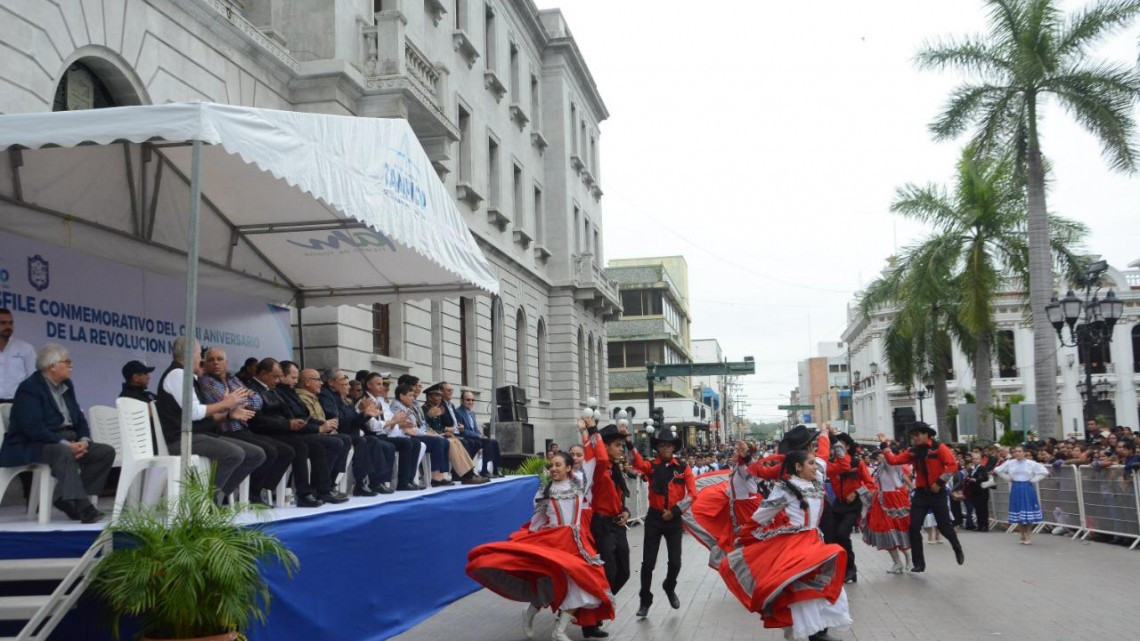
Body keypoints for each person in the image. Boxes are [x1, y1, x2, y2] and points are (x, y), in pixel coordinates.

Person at [466, 451, 614, 641]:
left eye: (558, 465)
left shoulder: (580, 485)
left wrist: (589, 430)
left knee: (582, 585)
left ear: (568, 468)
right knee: (547, 583)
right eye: (551, 465)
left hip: (576, 542)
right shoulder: (544, 492)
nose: (553, 468)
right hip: (554, 541)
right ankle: (529, 614)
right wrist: (533, 544)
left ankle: (559, 631)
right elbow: (537, 522)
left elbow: (597, 460)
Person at [720, 449, 851, 641]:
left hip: (815, 541)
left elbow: (834, 462)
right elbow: (762, 515)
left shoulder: (817, 480)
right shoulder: (786, 488)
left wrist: (826, 436)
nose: (816, 467)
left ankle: (819, 630)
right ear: (798, 467)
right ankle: (814, 634)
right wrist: (744, 536)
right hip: (796, 544)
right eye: (811, 463)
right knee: (799, 588)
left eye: (815, 463)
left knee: (823, 583)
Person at [0, 343, 113, 523]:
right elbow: (33, 428)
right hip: (32, 444)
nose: (71, 365)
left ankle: (63, 497)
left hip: (66, 440)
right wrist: (68, 445)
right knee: (62, 452)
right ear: (52, 366)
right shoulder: (30, 388)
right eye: (66, 361)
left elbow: (79, 418)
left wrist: (83, 439)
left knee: (104, 452)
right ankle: (84, 507)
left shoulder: (67, 385)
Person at [155, 337, 265, 502]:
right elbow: (193, 413)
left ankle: (217, 498)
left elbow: (199, 414)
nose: (201, 359)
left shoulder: (186, 376)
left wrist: (228, 414)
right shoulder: (177, 374)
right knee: (233, 454)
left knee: (256, 454)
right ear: (189, 354)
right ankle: (205, 503)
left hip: (198, 434)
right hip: (181, 438)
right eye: (200, 354)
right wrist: (226, 403)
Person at [199, 347, 293, 506]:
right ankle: (247, 495)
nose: (215, 363)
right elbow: (223, 403)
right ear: (205, 364)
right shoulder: (205, 381)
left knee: (285, 450)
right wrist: (236, 399)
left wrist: (236, 400)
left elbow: (257, 401)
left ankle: (261, 490)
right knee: (266, 451)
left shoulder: (233, 379)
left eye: (219, 359)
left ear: (226, 363)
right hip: (225, 430)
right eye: (211, 360)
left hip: (242, 428)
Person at [246, 357, 342, 507]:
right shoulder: (253, 390)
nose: (278, 380)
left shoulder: (272, 390)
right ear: (264, 374)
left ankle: (322, 489)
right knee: (299, 447)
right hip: (267, 432)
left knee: (316, 447)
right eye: (275, 376)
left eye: (280, 376)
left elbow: (291, 414)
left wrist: (304, 423)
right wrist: (288, 424)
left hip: (281, 429)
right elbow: (257, 420)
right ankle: (302, 493)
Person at [627, 426, 696, 618]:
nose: (665, 449)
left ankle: (669, 585)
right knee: (648, 563)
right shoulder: (651, 466)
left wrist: (674, 511)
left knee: (675, 562)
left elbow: (692, 494)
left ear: (674, 448)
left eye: (669, 446)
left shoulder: (683, 468)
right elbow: (637, 462)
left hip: (673, 520)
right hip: (655, 518)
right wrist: (629, 442)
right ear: (658, 448)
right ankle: (645, 600)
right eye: (662, 446)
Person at [876, 423, 965, 572]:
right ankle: (919, 563)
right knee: (914, 527)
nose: (915, 438)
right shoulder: (912, 452)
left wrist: (940, 482)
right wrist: (885, 445)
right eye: (913, 436)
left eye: (918, 435)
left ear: (927, 435)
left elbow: (952, 466)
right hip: (921, 493)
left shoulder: (939, 448)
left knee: (944, 527)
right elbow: (893, 460)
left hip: (938, 493)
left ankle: (957, 547)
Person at [578, 422, 633, 638]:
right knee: (607, 573)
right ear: (607, 447)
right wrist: (593, 432)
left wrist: (626, 512)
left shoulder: (615, 469)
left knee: (624, 573)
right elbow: (599, 457)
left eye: (622, 446)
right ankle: (589, 619)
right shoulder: (599, 468)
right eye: (618, 445)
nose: (621, 449)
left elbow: (618, 499)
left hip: (618, 525)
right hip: (602, 526)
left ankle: (594, 610)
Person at [277, 361, 352, 495]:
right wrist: (320, 428)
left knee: (344, 440)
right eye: (317, 380)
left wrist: (323, 426)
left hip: (304, 430)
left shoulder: (294, 393)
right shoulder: (296, 394)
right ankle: (320, 487)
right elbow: (299, 418)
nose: (321, 383)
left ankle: (329, 484)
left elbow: (306, 417)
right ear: (306, 382)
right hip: (294, 433)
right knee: (333, 443)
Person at [317, 367, 395, 496]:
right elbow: (339, 419)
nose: (347, 386)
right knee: (361, 441)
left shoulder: (342, 398)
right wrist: (363, 413)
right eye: (344, 382)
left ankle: (375, 482)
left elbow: (353, 420)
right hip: (338, 433)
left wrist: (365, 415)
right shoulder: (327, 396)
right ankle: (359, 483)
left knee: (373, 441)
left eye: (347, 383)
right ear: (331, 382)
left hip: (348, 432)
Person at [359, 372, 422, 491]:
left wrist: (395, 422)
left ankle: (407, 479)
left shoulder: (380, 401)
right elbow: (372, 426)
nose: (382, 387)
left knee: (414, 443)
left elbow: (389, 422)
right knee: (394, 445)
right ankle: (381, 482)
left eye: (382, 384)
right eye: (379, 384)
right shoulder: (365, 400)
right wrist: (393, 422)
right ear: (368, 385)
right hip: (372, 435)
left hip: (384, 433)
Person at [825, 431, 874, 584]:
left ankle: (851, 569)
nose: (837, 448)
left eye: (841, 445)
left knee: (842, 534)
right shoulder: (831, 463)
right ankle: (840, 570)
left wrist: (856, 493)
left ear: (847, 446)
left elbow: (871, 484)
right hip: (837, 504)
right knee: (831, 538)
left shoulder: (857, 463)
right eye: (835, 445)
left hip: (853, 505)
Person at [422, 383, 488, 485]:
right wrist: (430, 417)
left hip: (441, 435)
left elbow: (439, 427)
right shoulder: (425, 408)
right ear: (429, 397)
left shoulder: (437, 407)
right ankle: (465, 476)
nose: (439, 398)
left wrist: (446, 432)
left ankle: (469, 473)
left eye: (440, 395)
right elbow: (425, 426)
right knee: (454, 443)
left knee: (457, 442)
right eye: (436, 395)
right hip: (430, 437)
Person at [861, 448, 912, 573]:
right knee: (884, 531)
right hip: (881, 500)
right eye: (879, 455)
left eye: (882, 455)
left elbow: (892, 464)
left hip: (893, 500)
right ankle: (897, 562)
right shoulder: (880, 468)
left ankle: (908, 557)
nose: (880, 457)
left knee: (897, 531)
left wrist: (887, 448)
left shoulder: (891, 466)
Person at [993, 446, 1050, 544]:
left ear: (1024, 453)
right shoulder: (1010, 463)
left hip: (1027, 487)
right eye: (1015, 452)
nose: (1017, 453)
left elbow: (1044, 472)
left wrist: (1033, 480)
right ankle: (1022, 533)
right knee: (1018, 511)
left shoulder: (1031, 463)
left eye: (1019, 451)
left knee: (1029, 511)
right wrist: (1007, 478)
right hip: (1016, 487)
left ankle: (1028, 534)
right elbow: (998, 470)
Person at [452, 386, 503, 477]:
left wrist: (480, 434)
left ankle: (495, 469)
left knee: (494, 442)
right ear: (462, 401)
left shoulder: (472, 413)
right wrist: (477, 435)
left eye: (472, 400)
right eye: (468, 400)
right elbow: (462, 430)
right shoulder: (458, 412)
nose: (471, 402)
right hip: (466, 438)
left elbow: (474, 428)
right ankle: (484, 470)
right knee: (488, 442)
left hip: (474, 437)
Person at [0, 308, 36, 402]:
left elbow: (34, 378)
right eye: (3, 323)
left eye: (10, 323)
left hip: (17, 402)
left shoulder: (25, 348)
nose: (8, 326)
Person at [963, 450, 992, 532]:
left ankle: (984, 526)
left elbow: (985, 478)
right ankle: (980, 525)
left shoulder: (982, 468)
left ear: (980, 459)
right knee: (977, 509)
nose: (974, 460)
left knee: (983, 509)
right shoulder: (972, 469)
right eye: (973, 459)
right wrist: (969, 479)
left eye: (976, 459)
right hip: (974, 491)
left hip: (982, 491)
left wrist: (975, 480)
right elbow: (968, 476)